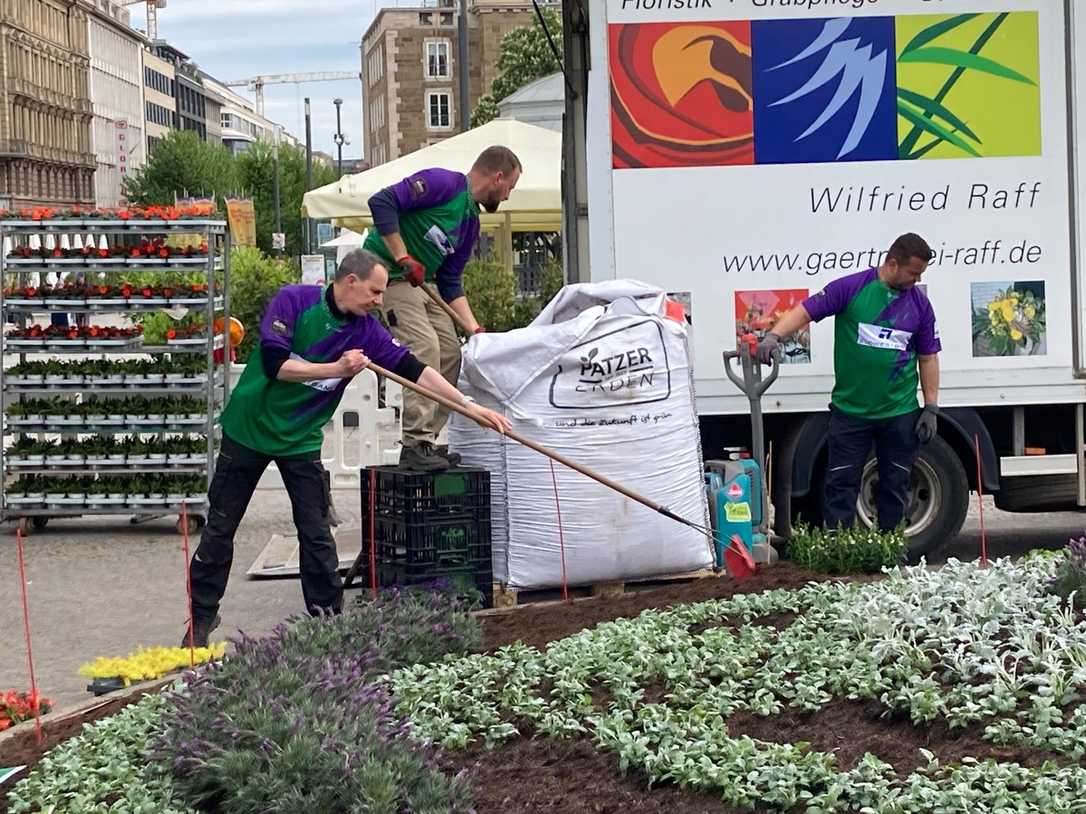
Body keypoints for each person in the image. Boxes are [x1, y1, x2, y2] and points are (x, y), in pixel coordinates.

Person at [182, 249, 512, 647]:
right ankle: (201, 620)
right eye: (374, 291)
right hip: (247, 430)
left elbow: (415, 369)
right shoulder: (295, 300)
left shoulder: (366, 329)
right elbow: (276, 365)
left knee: (316, 534)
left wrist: (467, 405)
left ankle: (328, 624)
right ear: (349, 281)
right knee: (219, 529)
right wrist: (337, 369)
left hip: (299, 439)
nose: (380, 301)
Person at [756, 233, 941, 534]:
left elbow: (928, 357)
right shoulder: (852, 288)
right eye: (913, 273)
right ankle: (838, 548)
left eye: (921, 274)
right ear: (893, 264)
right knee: (841, 483)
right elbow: (806, 310)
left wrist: (931, 407)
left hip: (899, 413)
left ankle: (889, 550)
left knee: (895, 484)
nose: (916, 280)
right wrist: (775, 335)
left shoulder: (920, 305)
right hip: (850, 412)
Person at [363, 145, 522, 472]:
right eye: (510, 187)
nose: (507, 196)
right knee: (425, 347)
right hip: (389, 276)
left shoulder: (470, 224)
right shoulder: (443, 184)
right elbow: (381, 202)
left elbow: (450, 281)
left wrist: (474, 329)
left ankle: (427, 440)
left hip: (426, 283)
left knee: (451, 352)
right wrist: (402, 256)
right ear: (497, 177)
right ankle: (413, 442)